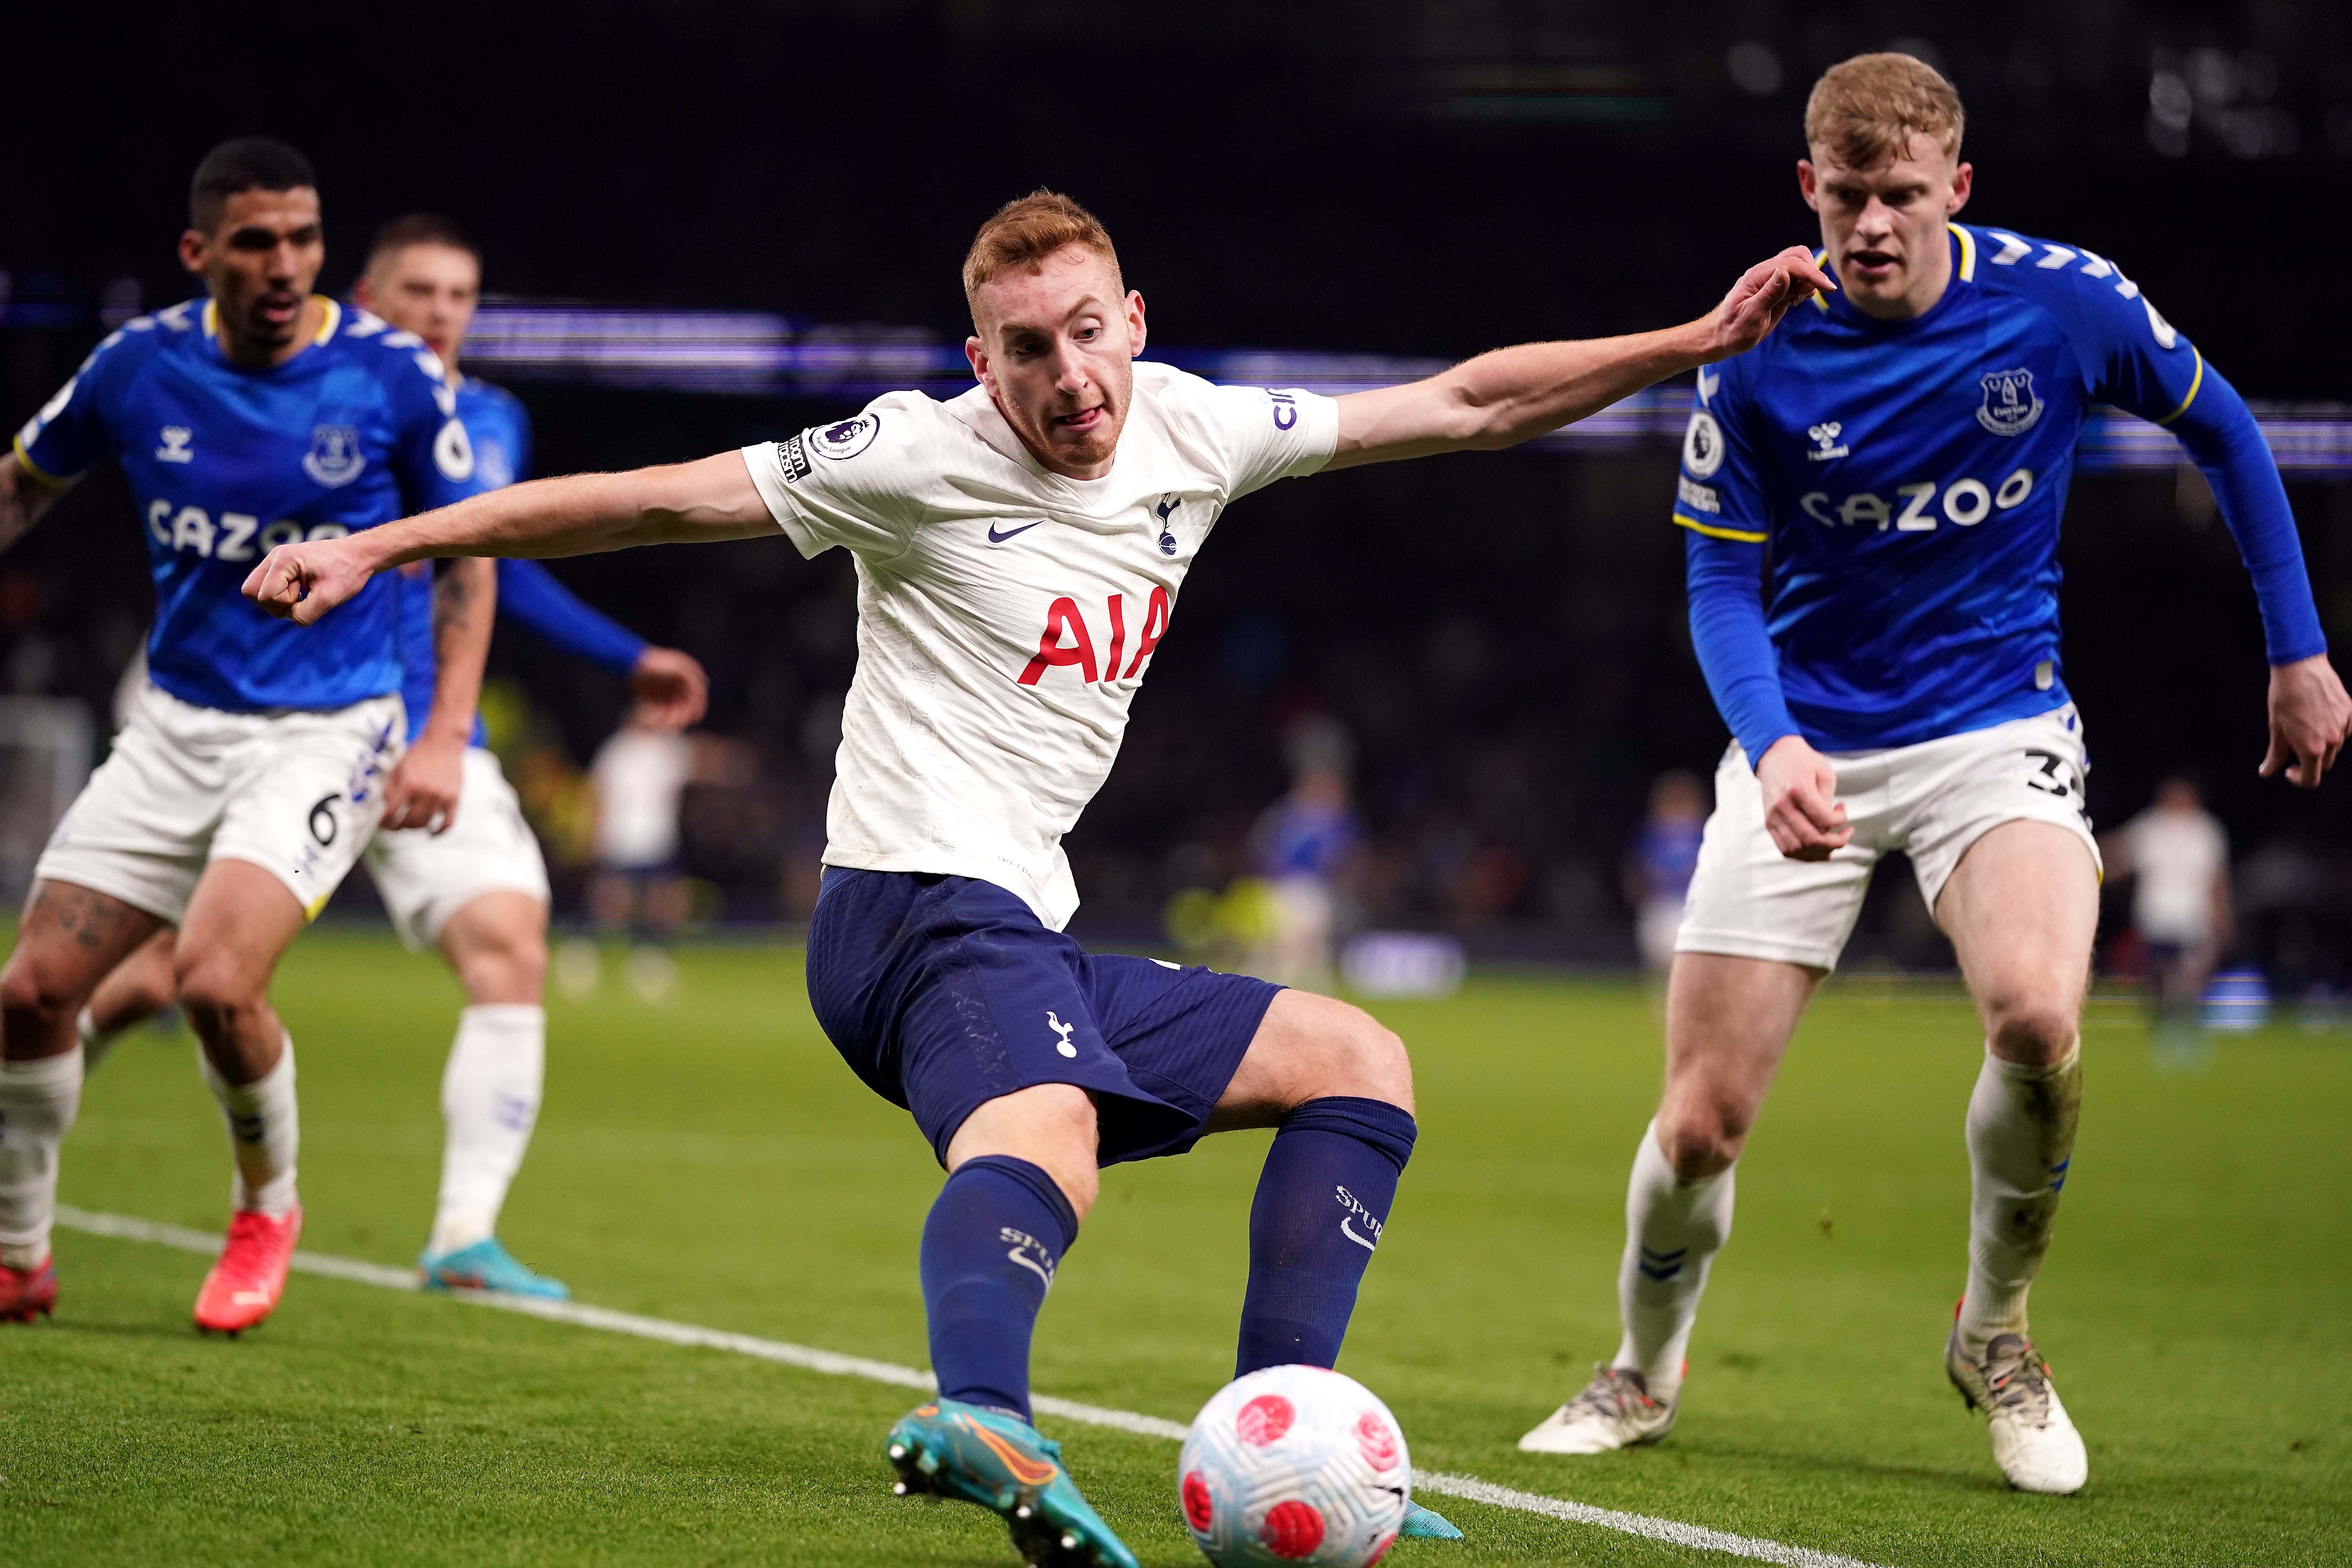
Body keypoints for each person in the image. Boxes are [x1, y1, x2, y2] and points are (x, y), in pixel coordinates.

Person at [245, 189, 1826, 1565]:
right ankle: (982, 1417)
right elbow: (652, 501)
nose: (1066, 377)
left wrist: (1694, 338)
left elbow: (1471, 404)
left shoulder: (1199, 427)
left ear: (1134, 319)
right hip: (910, 912)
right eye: (1025, 348)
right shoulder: (907, 458)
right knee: (1050, 1133)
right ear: (977, 361)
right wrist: (387, 548)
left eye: (1086, 332)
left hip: (1020, 924)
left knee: (1360, 1063)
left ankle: (1285, 1429)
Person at [1516, 55, 2352, 1496]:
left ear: (1955, 188)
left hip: (1992, 725)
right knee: (1702, 1118)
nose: (1872, 226)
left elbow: (2221, 427)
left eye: (1901, 195)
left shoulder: (2062, 299)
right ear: (1808, 190)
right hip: (1808, 735)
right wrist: (1772, 742)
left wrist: (2298, 649)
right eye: (1847, 197)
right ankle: (1643, 1367)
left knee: (2037, 1015)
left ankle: (1996, 1329)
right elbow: (1718, 586)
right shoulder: (1756, 342)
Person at [73, 214, 713, 1299]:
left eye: (461, 295)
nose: (441, 313)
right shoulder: (321, 394)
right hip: (276, 732)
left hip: (424, 736)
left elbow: (500, 560)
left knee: (509, 938)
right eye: (419, 290)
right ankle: (29, 1117)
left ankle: (464, 1235)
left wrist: (620, 657)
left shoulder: (494, 419)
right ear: (365, 292)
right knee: (149, 979)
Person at [0, 140, 494, 1332]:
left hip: (329, 728)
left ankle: (266, 1206)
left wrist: (443, 733)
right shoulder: (137, 364)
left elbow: (466, 549)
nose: (285, 264)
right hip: (175, 723)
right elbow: (24, 481)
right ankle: (19, 1250)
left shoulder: (392, 378)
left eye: (305, 238)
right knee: (29, 992)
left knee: (221, 983)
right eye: (257, 241)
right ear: (200, 252)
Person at [2104, 776, 2230, 1018]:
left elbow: (2217, 879)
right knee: (2158, 972)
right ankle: (2162, 1017)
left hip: (2192, 915)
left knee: (2190, 973)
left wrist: (2222, 915)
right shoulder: (2152, 827)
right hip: (2156, 914)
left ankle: (2183, 1018)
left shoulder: (2206, 830)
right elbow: (2120, 855)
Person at [1625, 769, 1707, 974]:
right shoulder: (1653, 833)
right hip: (1660, 906)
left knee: (1689, 968)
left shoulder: (1703, 832)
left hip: (1692, 907)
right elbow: (1637, 870)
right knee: (1660, 967)